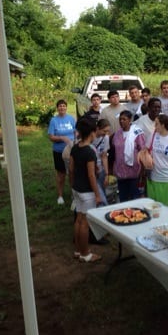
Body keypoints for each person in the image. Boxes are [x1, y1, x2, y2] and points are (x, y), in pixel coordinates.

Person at [69, 118, 101, 262]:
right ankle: (86, 253)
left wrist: (72, 185)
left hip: (76, 188)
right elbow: (91, 175)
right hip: (87, 192)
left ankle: (78, 250)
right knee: (85, 223)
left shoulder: (75, 148)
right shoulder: (90, 152)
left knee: (78, 220)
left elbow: (71, 169)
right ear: (92, 133)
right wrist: (97, 194)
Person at [146, 114, 168, 209]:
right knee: (156, 210)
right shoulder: (153, 136)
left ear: (163, 125)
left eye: (157, 124)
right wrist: (147, 157)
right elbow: (145, 151)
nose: (155, 126)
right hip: (154, 179)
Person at [111, 110, 145, 202]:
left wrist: (142, 171)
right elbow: (114, 151)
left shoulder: (137, 133)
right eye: (120, 119)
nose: (121, 121)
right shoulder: (117, 134)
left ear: (130, 120)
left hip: (134, 171)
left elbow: (142, 151)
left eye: (124, 119)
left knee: (135, 197)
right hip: (120, 171)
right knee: (123, 197)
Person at [48, 99, 75, 205]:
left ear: (66, 107)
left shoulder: (71, 118)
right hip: (59, 151)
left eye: (64, 106)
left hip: (71, 150)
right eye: (60, 106)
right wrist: (62, 138)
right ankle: (60, 196)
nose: (62, 108)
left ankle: (74, 194)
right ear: (57, 108)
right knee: (61, 174)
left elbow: (76, 131)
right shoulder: (54, 121)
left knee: (72, 172)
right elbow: (51, 137)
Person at [92, 119, 111, 206]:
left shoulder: (106, 138)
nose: (106, 133)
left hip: (101, 170)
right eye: (104, 131)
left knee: (102, 191)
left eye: (107, 131)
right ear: (98, 128)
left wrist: (107, 174)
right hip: (91, 170)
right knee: (99, 196)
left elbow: (104, 156)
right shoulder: (90, 137)